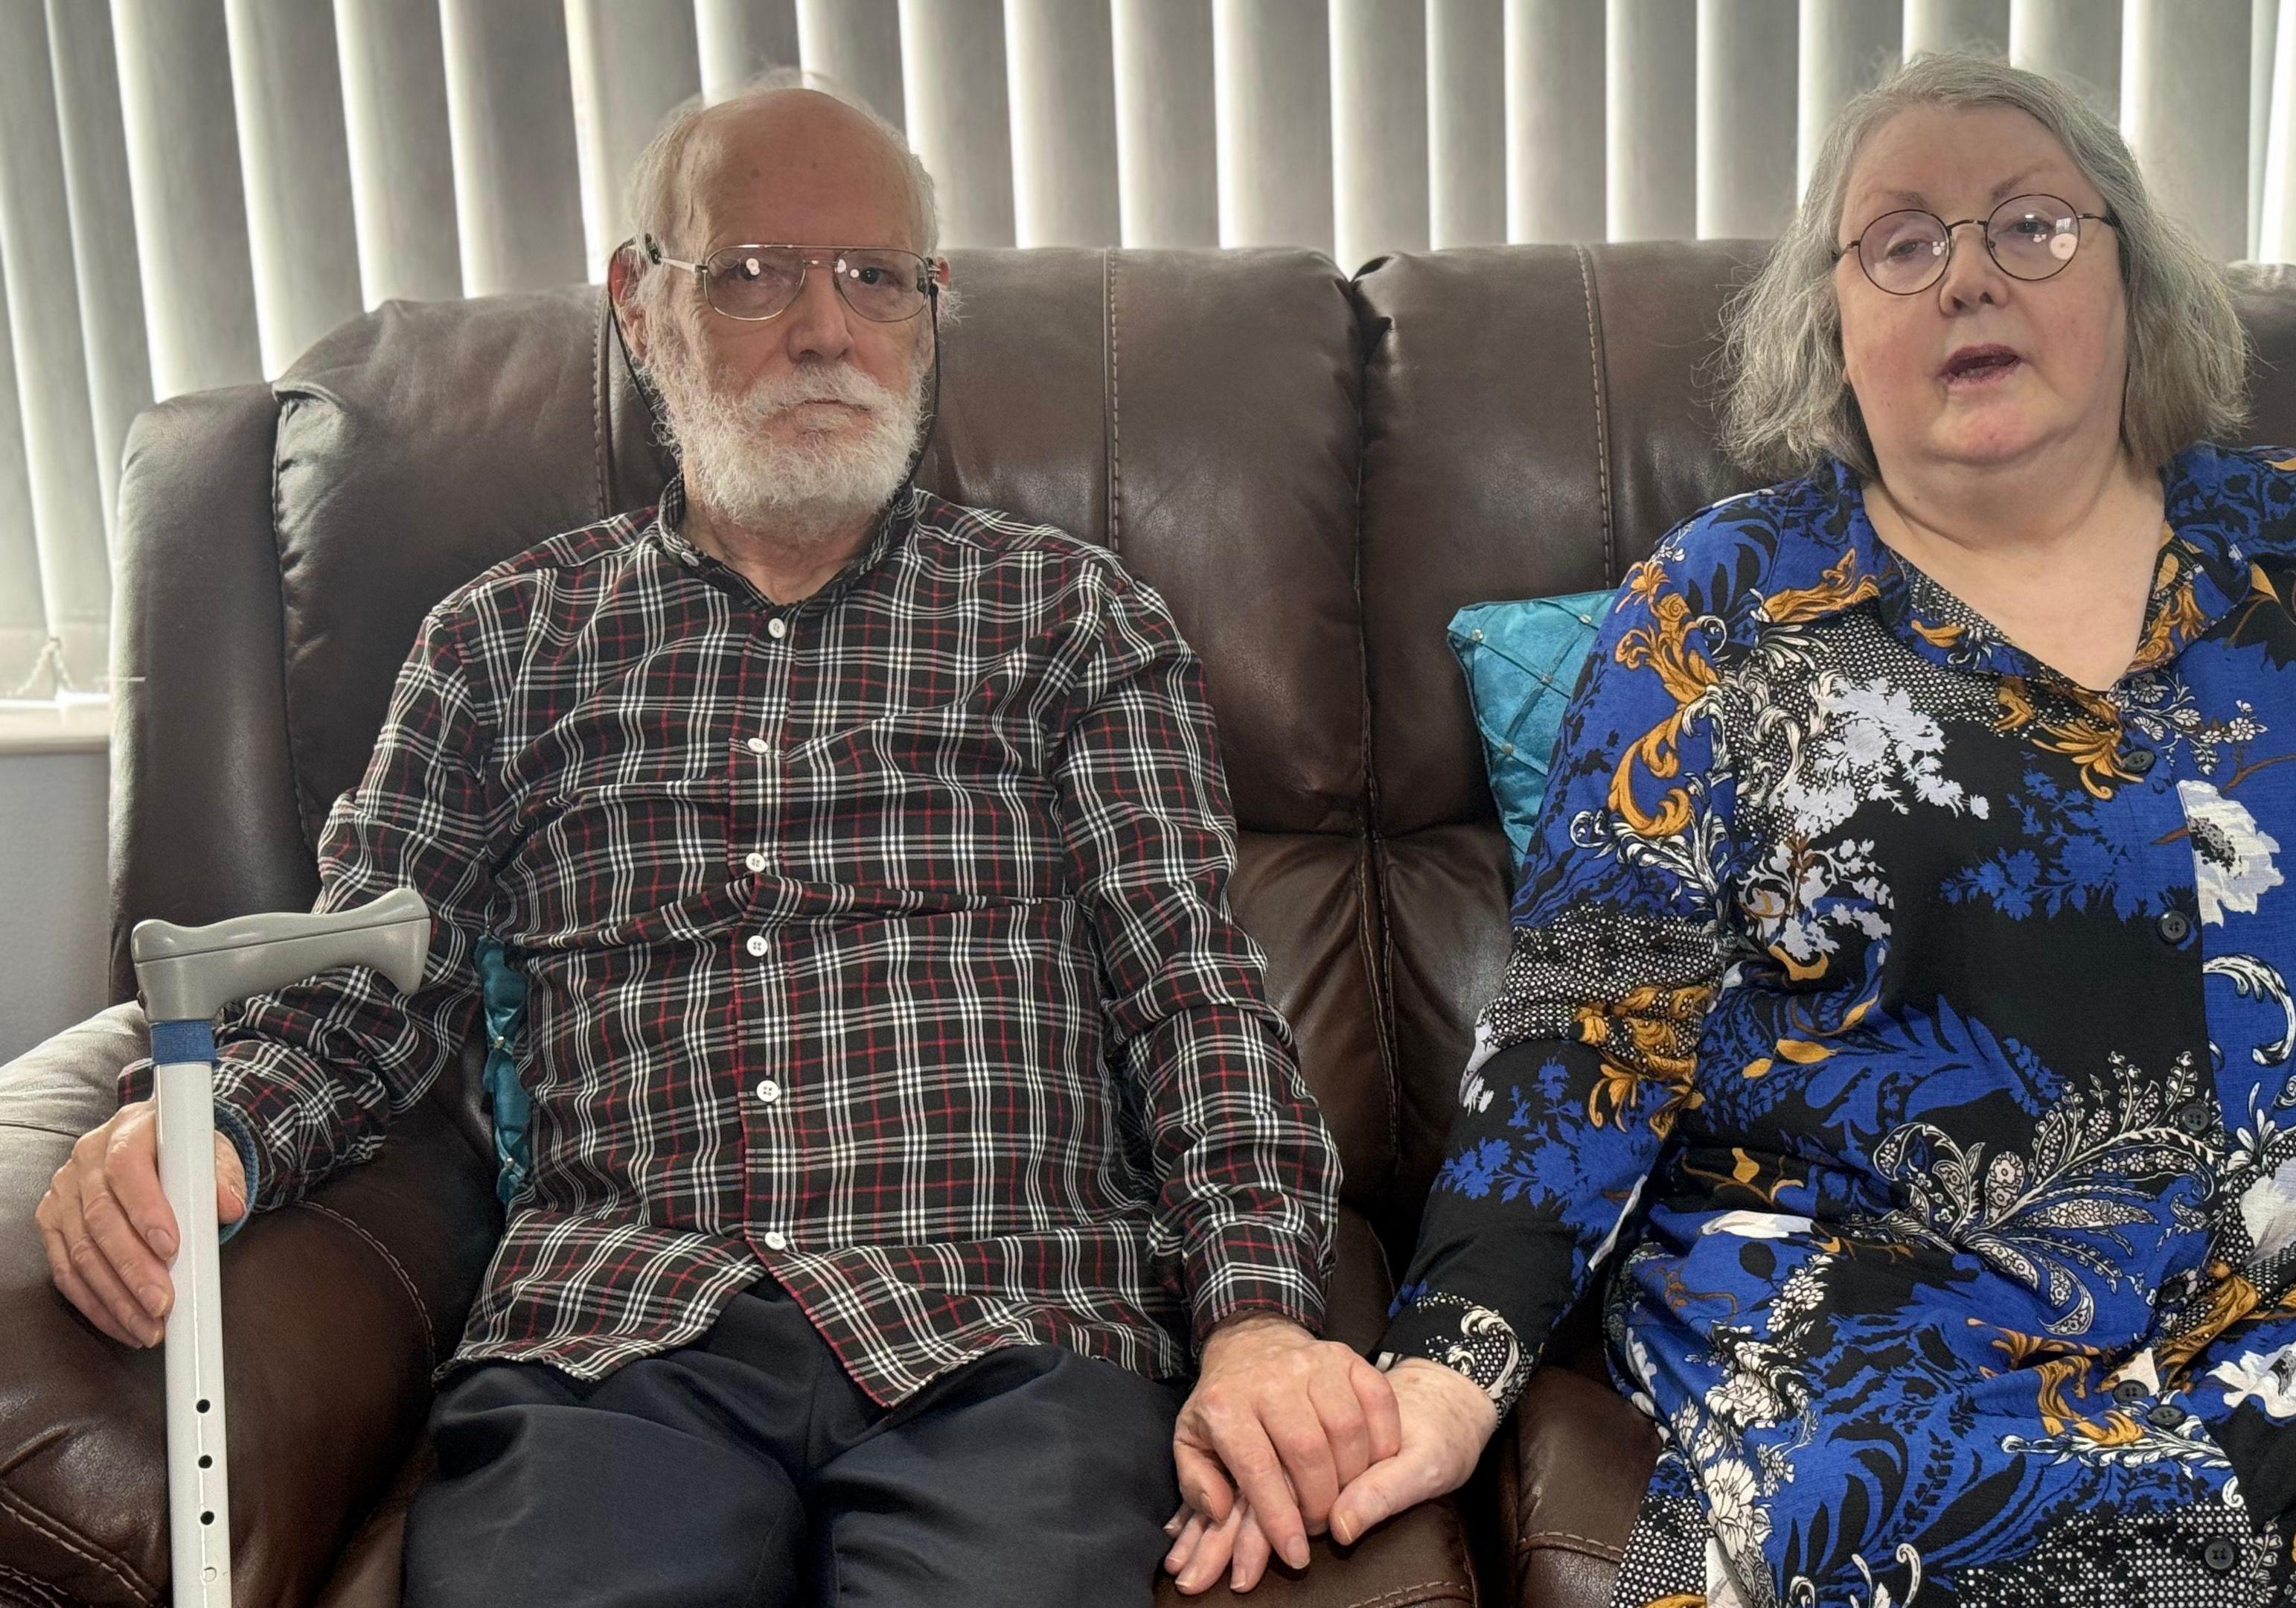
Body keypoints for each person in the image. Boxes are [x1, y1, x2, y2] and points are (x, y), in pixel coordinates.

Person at [1229, 52, 2296, 1608]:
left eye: (2031, 224)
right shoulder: (1722, 603)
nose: (1967, 274)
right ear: (1834, 320)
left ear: (2132, 279)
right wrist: (1448, 1365)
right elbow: (1584, 1026)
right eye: (1901, 240)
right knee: (1930, 1534)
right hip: (1875, 1316)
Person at [33, 77, 1384, 1607]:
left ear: (930, 313)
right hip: (615, 1348)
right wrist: (206, 1131)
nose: (824, 327)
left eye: (874, 276)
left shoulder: (1073, 623)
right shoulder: (500, 645)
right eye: (751, 272)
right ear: (637, 305)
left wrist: (1259, 1314)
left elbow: (1195, 999)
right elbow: (368, 984)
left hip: (1010, 1335)